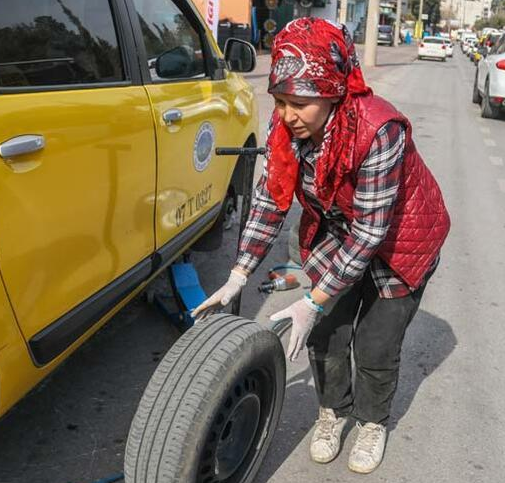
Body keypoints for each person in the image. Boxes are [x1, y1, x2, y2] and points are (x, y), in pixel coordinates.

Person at [192, 18, 450, 474]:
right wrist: (239, 275)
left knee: (375, 344)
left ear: (333, 93)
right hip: (339, 227)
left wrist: (313, 297)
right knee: (326, 334)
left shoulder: (379, 129)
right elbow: (271, 198)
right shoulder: (286, 126)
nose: (287, 114)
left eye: (300, 103)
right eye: (280, 101)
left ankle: (372, 422)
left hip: (401, 239)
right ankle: (334, 412)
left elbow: (371, 232)